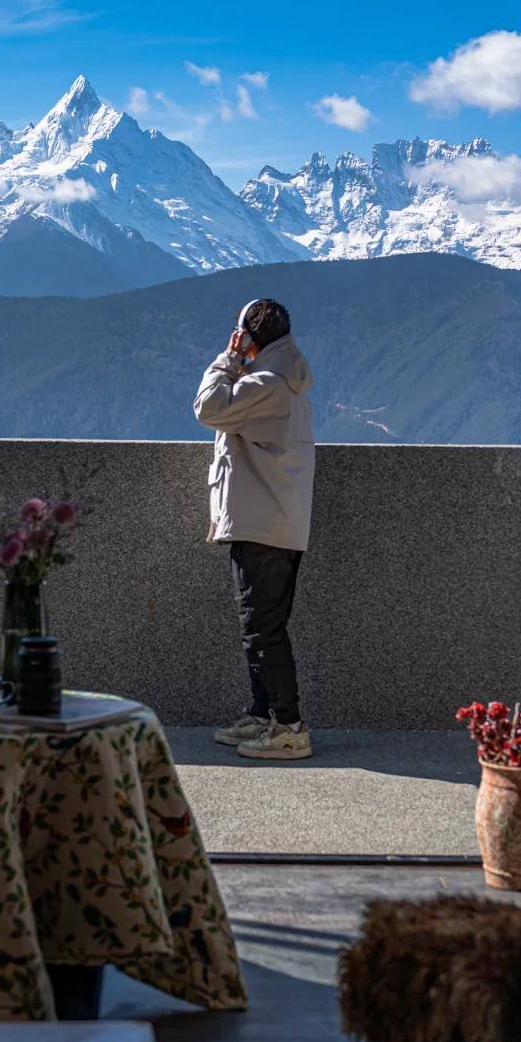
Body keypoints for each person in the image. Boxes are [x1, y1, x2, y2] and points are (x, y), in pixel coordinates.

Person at [194, 297, 315, 760]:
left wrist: (227, 359)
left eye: (239, 333)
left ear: (247, 336)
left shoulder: (266, 383)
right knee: (259, 627)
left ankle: (288, 726)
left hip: (264, 524)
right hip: (270, 519)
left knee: (263, 630)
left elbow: (207, 407)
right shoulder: (282, 379)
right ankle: (263, 714)